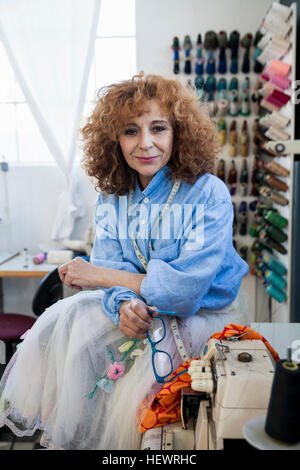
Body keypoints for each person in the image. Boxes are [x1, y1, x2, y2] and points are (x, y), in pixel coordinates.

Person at [0, 72, 249, 450]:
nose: (145, 143)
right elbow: (114, 268)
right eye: (131, 131)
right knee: (75, 322)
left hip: (200, 318)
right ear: (114, 139)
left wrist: (96, 275)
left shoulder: (208, 193)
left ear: (178, 133)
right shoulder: (112, 197)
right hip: (143, 311)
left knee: (152, 416)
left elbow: (183, 293)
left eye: (158, 128)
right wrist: (123, 303)